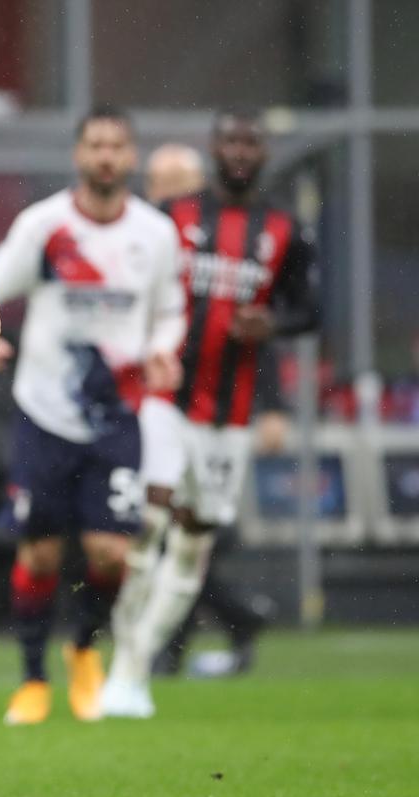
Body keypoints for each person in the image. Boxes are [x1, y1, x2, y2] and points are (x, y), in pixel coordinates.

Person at [103, 109, 319, 717]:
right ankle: (124, 665)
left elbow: (308, 309)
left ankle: (139, 662)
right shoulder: (175, 218)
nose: (241, 150)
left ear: (264, 151)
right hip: (165, 400)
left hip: (230, 417)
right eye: (231, 139)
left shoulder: (284, 229)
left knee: (195, 546)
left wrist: (273, 323)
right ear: (216, 147)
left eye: (251, 140)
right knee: (148, 525)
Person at [0, 106, 185, 726]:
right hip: (44, 412)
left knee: (109, 553)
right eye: (94, 145)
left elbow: (172, 310)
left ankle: (82, 651)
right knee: (41, 555)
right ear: (79, 155)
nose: (104, 156)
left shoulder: (155, 234)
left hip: (117, 414)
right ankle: (32, 681)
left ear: (130, 158)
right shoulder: (45, 226)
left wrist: (162, 349)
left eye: (115, 146)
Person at [140, 143, 281, 680]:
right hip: (156, 408)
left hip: (216, 416)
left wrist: (273, 406)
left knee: (186, 534)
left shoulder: (231, 248)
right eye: (157, 183)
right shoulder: (145, 242)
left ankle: (197, 635)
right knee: (161, 531)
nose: (164, 195)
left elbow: (255, 335)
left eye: (176, 184)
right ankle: (224, 624)